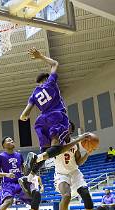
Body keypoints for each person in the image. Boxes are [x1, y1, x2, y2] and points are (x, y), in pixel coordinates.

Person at [19, 47, 91, 195]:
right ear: (46, 79)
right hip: (56, 116)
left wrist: (24, 117)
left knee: (48, 152)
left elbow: (24, 115)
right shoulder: (51, 83)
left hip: (41, 121)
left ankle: (29, 177)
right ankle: (35, 158)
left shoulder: (34, 94)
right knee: (56, 147)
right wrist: (40, 56)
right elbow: (55, 64)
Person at [53, 122, 104, 210]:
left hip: (74, 172)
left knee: (86, 193)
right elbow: (60, 150)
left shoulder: (76, 144)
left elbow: (78, 162)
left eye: (67, 127)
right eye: (63, 126)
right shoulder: (56, 141)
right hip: (61, 174)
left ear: (71, 130)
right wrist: (79, 139)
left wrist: (87, 153)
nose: (64, 128)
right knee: (66, 195)